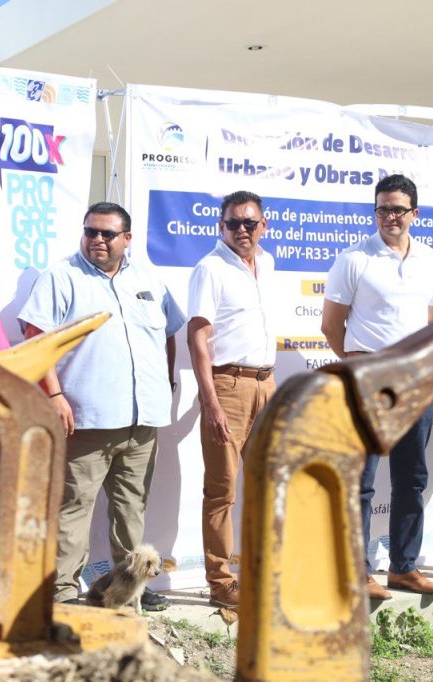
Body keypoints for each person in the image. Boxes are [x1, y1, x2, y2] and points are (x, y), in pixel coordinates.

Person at [17, 201, 184, 611]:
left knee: (132, 511)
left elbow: (167, 334)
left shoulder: (148, 278)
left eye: (107, 234)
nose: (97, 239)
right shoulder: (61, 276)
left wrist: (164, 382)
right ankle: (62, 594)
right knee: (74, 509)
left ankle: (128, 591)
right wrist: (54, 394)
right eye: (90, 231)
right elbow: (37, 338)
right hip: (86, 419)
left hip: (141, 419)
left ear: (127, 238)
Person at [321, 174, 433, 599]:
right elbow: (331, 325)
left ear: (414, 213)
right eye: (382, 209)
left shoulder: (432, 260)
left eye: (397, 209)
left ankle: (404, 568)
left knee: (412, 479)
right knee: (362, 482)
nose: (389, 216)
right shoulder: (354, 259)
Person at [187, 190, 277, 608]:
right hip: (228, 386)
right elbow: (198, 338)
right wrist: (211, 402)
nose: (242, 230)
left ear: (263, 225)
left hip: (266, 384)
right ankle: (221, 581)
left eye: (249, 223)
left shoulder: (268, 264)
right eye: (233, 223)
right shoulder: (210, 268)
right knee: (222, 490)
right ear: (221, 227)